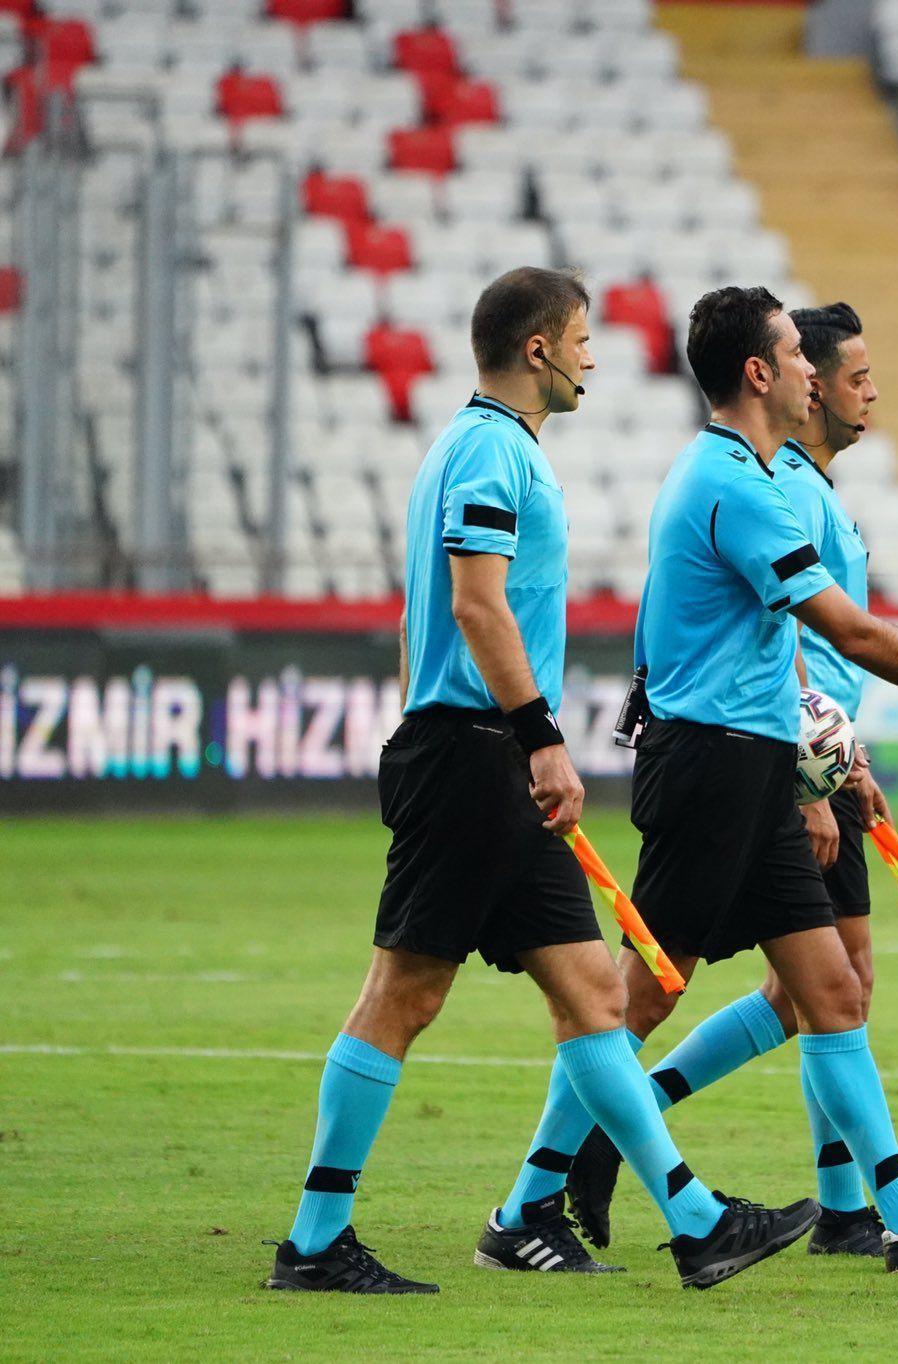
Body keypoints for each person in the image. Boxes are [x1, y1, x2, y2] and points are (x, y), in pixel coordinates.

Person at [266, 268, 808, 1296]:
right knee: (405, 991)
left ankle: (693, 1221)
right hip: (480, 756)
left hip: (480, 751)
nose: (592, 356)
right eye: (583, 339)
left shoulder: (475, 451)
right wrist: (533, 738)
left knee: (594, 992)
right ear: (538, 350)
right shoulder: (488, 452)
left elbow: (419, 616)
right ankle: (313, 1238)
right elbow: (476, 606)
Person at [502, 284, 898, 1275]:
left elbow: (792, 651)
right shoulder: (740, 485)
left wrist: (823, 764)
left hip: (752, 764)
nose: (818, 374)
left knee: (831, 990)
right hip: (711, 765)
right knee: (637, 996)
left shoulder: (745, 474)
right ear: (760, 372)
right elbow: (844, 632)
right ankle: (527, 1202)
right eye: (802, 359)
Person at [566, 301, 895, 1257]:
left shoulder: (801, 484)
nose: (868, 390)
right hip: (768, 759)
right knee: (686, 988)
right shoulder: (771, 484)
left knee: (827, 989)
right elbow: (804, 640)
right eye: (849, 373)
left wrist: (839, 755)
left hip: (797, 754)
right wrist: (814, 777)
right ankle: (586, 1154)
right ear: (799, 381)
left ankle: (849, 1210)